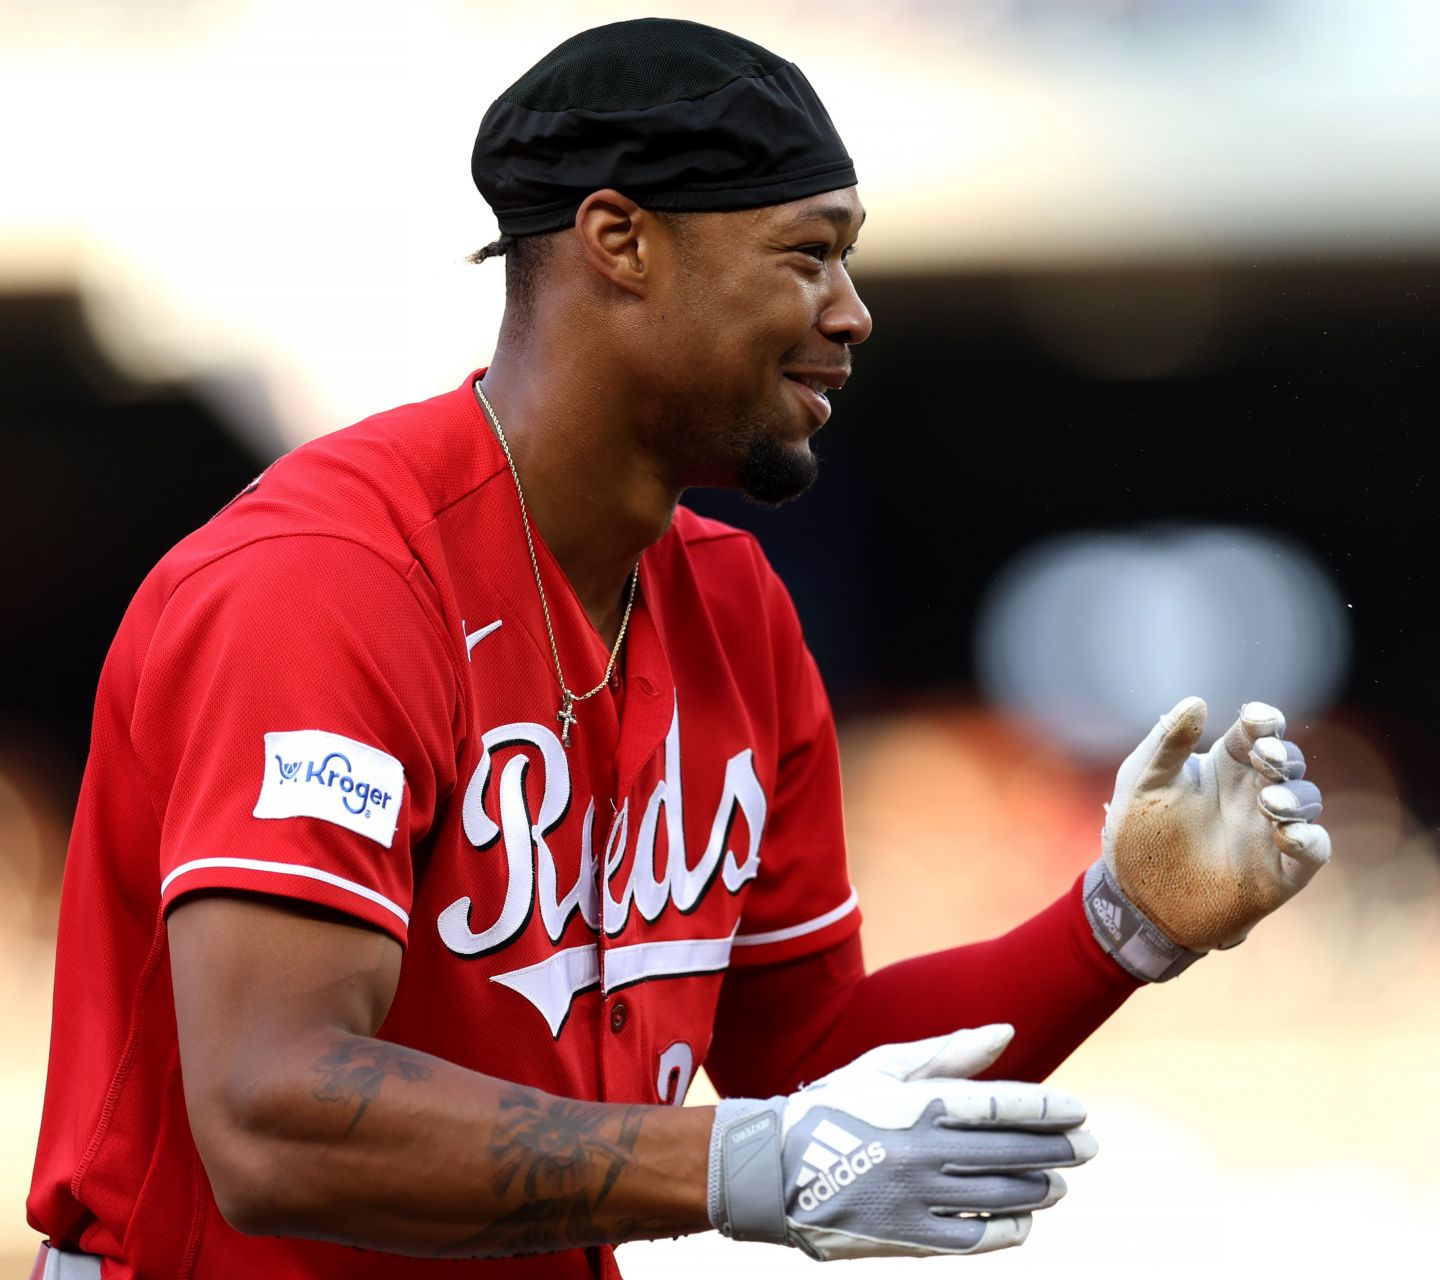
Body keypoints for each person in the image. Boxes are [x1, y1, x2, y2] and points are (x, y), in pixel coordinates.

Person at [27, 17, 1332, 1279]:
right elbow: (273, 1114)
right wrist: (741, 1165)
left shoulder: (732, 605)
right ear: (620, 243)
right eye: (806, 255)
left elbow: (810, 1066)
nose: (853, 312)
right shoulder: (326, 585)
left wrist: (1120, 926)